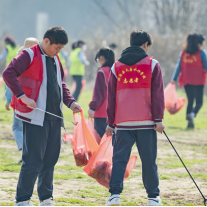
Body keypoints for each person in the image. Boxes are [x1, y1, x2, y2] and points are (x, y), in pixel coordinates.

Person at [3, 27, 81, 206]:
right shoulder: (29, 55)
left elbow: (60, 83)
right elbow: (8, 73)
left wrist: (70, 102)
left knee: (50, 160)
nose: (58, 51)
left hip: (54, 117)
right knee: (33, 161)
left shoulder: (55, 58)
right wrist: (22, 96)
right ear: (46, 41)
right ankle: (22, 200)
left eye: (61, 49)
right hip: (34, 117)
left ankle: (45, 198)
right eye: (57, 47)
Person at [105, 30, 165, 206]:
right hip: (146, 124)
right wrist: (158, 119)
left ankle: (114, 196)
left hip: (123, 124)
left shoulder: (116, 67)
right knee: (149, 162)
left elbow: (111, 98)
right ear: (145, 44)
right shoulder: (153, 64)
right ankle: (153, 198)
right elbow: (158, 95)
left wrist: (110, 123)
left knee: (119, 161)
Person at [5, 37, 39, 163]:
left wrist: (8, 99)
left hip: (19, 99)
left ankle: (24, 150)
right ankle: (32, 152)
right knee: (30, 127)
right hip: (34, 101)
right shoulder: (39, 62)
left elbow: (10, 83)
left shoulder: (19, 61)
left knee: (17, 127)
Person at [171, 33, 207, 129]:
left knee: (190, 101)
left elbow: (178, 67)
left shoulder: (183, 53)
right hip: (199, 82)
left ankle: (189, 124)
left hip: (187, 81)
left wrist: (173, 79)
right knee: (199, 102)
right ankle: (192, 115)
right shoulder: (201, 53)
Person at [88, 48, 115, 138]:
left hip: (101, 112)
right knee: (111, 138)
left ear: (102, 57)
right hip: (113, 112)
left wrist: (92, 107)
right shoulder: (114, 71)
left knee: (100, 138)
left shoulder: (102, 72)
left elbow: (98, 93)